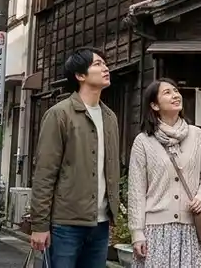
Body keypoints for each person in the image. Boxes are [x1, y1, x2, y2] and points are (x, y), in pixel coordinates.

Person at [28, 48, 120, 268]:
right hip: (66, 224)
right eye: (97, 64)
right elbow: (45, 172)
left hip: (100, 223)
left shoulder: (110, 118)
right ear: (80, 76)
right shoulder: (60, 114)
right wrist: (39, 225)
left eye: (105, 63)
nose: (105, 68)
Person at [127, 79, 201, 268]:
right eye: (167, 92)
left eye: (176, 91)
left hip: (189, 229)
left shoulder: (197, 135)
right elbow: (136, 190)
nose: (175, 95)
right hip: (154, 232)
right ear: (154, 105)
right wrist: (137, 233)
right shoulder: (143, 141)